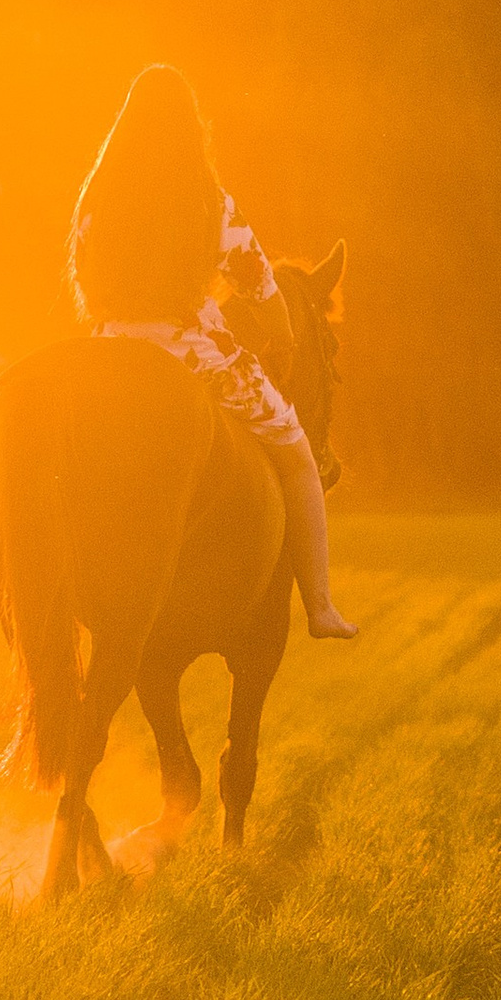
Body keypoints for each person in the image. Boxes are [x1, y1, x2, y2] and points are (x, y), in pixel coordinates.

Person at [70, 64, 357, 639]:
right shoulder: (209, 200)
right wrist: (285, 336)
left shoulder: (97, 197)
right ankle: (321, 607)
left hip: (105, 355)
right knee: (298, 455)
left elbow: (82, 280)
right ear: (190, 126)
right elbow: (259, 286)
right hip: (191, 352)